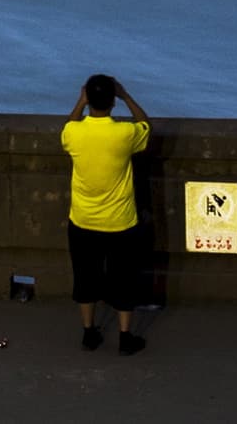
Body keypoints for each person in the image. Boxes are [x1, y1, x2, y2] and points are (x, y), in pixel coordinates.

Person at [57, 73, 155, 355]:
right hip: (121, 222)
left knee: (85, 276)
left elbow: (68, 128)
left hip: (83, 220)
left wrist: (80, 101)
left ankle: (89, 333)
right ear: (113, 101)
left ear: (88, 98)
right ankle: (126, 337)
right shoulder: (123, 134)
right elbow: (146, 126)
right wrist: (127, 96)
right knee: (124, 278)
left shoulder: (74, 134)